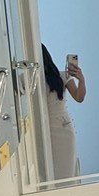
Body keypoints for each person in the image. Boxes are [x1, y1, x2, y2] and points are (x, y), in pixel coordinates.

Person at [41, 44, 86, 180]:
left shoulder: (61, 76)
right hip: (44, 128)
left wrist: (81, 79)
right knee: (49, 170)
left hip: (63, 127)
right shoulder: (30, 79)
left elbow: (79, 97)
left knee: (66, 168)